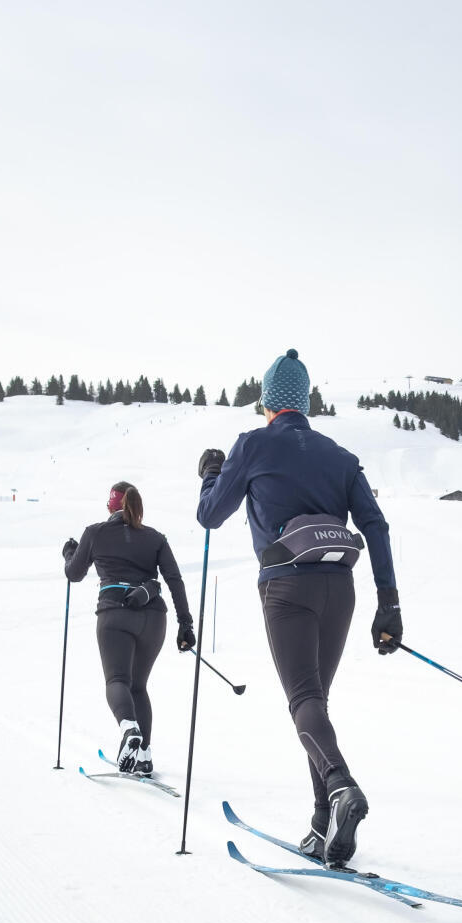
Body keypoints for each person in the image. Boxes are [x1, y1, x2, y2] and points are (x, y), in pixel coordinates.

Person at [196, 349, 400, 865]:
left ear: (267, 402)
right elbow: (375, 525)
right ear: (305, 403)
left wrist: (211, 474)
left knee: (303, 700)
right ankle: (321, 824)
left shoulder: (255, 445)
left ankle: (340, 788)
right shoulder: (339, 455)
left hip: (287, 588)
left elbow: (210, 515)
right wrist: (389, 604)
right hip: (342, 591)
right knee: (317, 704)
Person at [63, 481, 196, 774]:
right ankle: (144, 755)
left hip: (115, 616)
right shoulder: (156, 538)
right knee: (138, 686)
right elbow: (175, 579)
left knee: (117, 682)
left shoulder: (95, 533)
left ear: (111, 506)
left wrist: (70, 553)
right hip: (153, 619)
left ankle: (129, 730)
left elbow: (74, 574)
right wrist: (185, 623)